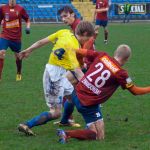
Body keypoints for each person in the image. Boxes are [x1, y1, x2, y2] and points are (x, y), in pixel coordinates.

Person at [56, 44, 150, 143]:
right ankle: (66, 134)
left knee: (97, 125)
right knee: (97, 136)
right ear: (127, 59)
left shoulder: (102, 55)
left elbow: (80, 51)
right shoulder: (122, 74)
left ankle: (85, 124)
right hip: (87, 103)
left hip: (77, 92)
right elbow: (135, 91)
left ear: (115, 53)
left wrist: (79, 61)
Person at [17, 21, 95, 136]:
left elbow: (42, 41)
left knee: (73, 97)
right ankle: (26, 124)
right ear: (84, 33)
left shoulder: (64, 32)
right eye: (88, 38)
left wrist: (28, 50)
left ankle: (65, 121)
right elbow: (77, 72)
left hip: (58, 73)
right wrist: (90, 86)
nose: (88, 41)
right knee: (55, 112)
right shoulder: (73, 47)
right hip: (54, 77)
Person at [56, 6, 96, 127]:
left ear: (72, 14)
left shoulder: (79, 26)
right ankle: (67, 120)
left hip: (86, 64)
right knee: (70, 90)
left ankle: (91, 119)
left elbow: (88, 44)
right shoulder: (74, 27)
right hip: (81, 63)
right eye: (61, 17)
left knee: (69, 89)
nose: (63, 19)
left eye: (65, 16)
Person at [0, 0, 30, 81]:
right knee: (1, 53)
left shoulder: (20, 9)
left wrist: (28, 27)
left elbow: (27, 19)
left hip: (16, 38)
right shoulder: (3, 8)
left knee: (18, 57)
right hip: (5, 36)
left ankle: (19, 73)